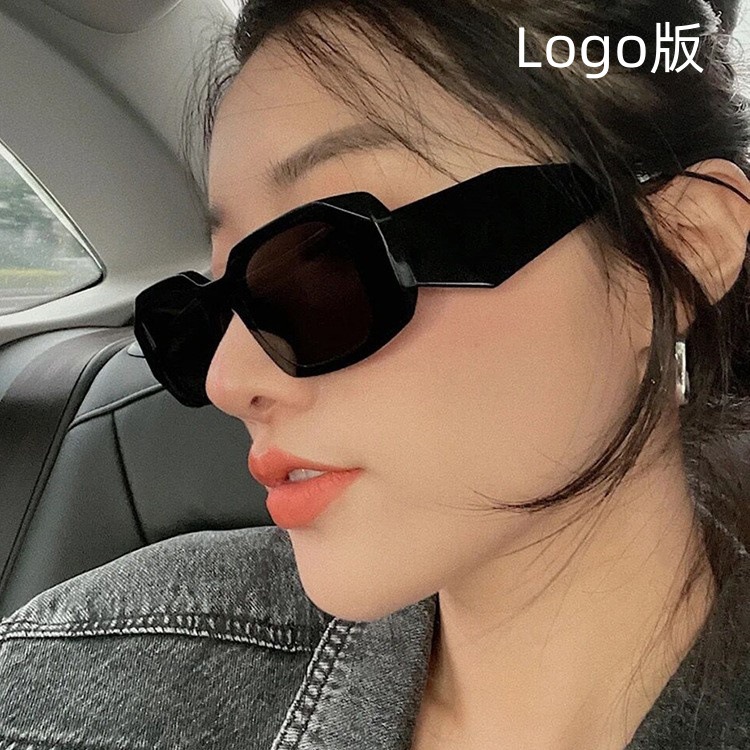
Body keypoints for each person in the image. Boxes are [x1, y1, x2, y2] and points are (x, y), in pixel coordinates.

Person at [2, 1, 750, 748]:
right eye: (211, 308)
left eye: (326, 262)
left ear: (679, 253)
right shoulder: (92, 677)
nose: (227, 380)